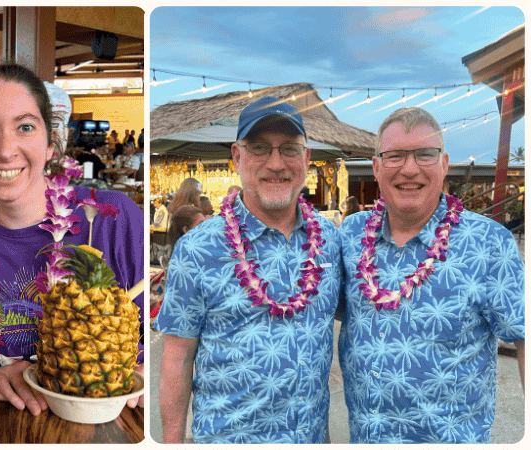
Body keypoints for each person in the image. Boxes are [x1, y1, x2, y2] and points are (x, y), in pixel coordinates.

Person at [0, 64, 143, 415]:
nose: (5, 150)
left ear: (51, 144)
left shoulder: (113, 217)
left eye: (25, 127)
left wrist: (140, 373)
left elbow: (164, 340)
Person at [156, 97, 343, 443]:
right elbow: (177, 358)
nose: (275, 163)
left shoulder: (331, 240)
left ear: (306, 159)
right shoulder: (198, 250)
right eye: (259, 148)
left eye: (289, 149)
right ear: (238, 157)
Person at [336, 107, 524, 443]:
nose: (410, 169)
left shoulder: (489, 243)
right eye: (394, 156)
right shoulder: (349, 236)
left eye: (425, 155)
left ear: (444, 163)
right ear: (377, 167)